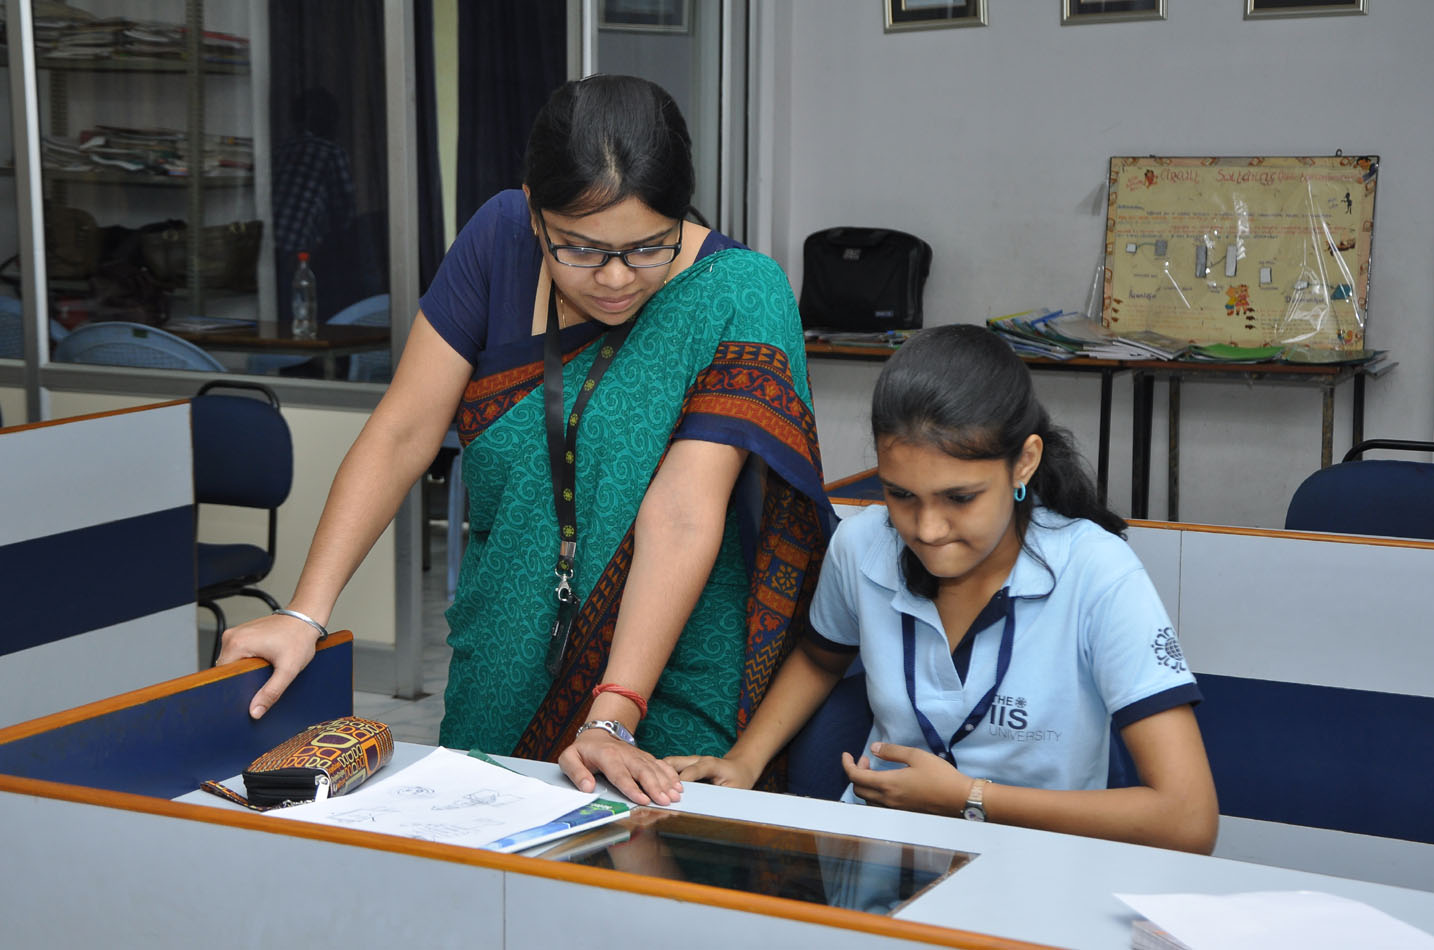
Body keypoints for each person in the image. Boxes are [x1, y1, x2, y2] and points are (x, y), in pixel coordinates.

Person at [218, 75, 832, 807]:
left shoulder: (740, 292)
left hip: (667, 679)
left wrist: (613, 720)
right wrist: (304, 614)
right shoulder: (499, 239)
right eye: (580, 248)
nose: (614, 279)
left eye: (646, 248)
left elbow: (682, 512)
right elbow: (404, 431)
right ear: (534, 212)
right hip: (503, 659)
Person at [667, 324, 1219, 854]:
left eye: (960, 498)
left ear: (1024, 462)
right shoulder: (862, 547)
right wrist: (746, 759)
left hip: (1039, 876)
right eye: (900, 495)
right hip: (879, 869)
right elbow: (818, 658)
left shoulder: (1096, 571)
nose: (927, 530)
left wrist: (968, 799)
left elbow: (1188, 821)